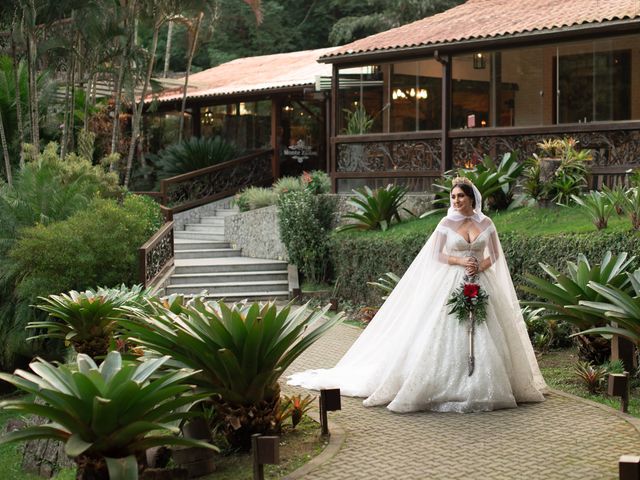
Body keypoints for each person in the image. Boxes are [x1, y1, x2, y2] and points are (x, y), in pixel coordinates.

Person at [288, 177, 546, 413]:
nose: (455, 201)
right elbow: (438, 255)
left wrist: (480, 266)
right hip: (452, 280)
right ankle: (440, 383)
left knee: (486, 329)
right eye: (453, 197)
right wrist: (459, 261)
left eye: (460, 197)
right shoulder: (445, 223)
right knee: (444, 328)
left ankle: (488, 384)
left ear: (471, 198)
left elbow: (495, 255)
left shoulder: (486, 223)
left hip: (482, 280)